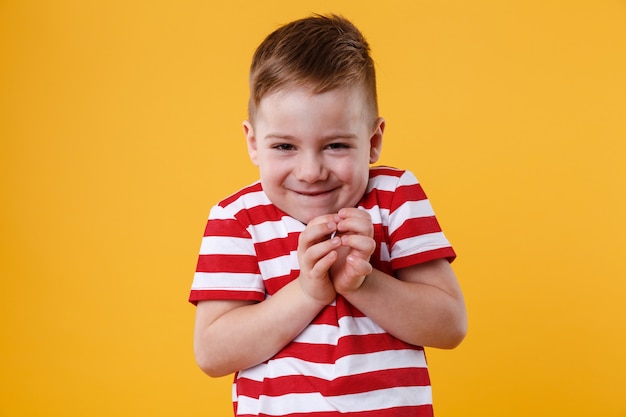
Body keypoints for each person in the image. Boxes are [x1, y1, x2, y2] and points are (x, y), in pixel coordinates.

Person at [189, 14, 467, 417]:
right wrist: (307, 292)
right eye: (284, 147)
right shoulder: (237, 219)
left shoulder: (394, 198)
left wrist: (362, 283)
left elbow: (449, 325)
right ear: (253, 143)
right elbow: (212, 352)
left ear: (373, 142)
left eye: (335, 145)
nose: (310, 171)